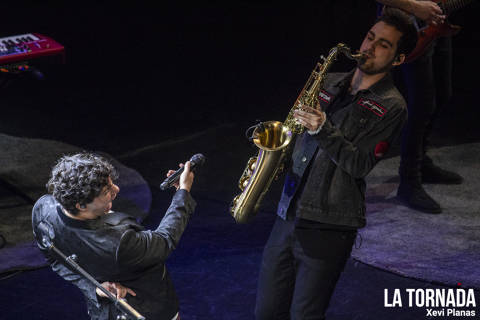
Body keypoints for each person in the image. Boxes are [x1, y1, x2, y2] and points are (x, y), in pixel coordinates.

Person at [255, 9, 417, 320]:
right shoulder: (327, 82)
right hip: (288, 214)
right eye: (370, 37)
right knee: (266, 312)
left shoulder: (392, 106)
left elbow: (358, 164)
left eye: (383, 44)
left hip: (330, 226)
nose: (369, 47)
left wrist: (322, 128)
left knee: (305, 315)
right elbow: (292, 136)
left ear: (398, 59)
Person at [32, 152, 196, 320]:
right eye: (106, 191)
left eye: (112, 184)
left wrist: (94, 288)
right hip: (145, 309)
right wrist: (183, 192)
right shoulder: (118, 242)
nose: (116, 190)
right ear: (81, 205)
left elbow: (53, 258)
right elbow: (164, 241)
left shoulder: (43, 209)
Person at [377, 0, 463, 214]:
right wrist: (416, 8)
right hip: (411, 23)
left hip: (434, 22)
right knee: (421, 105)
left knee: (442, 94)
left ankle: (421, 162)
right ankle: (409, 181)